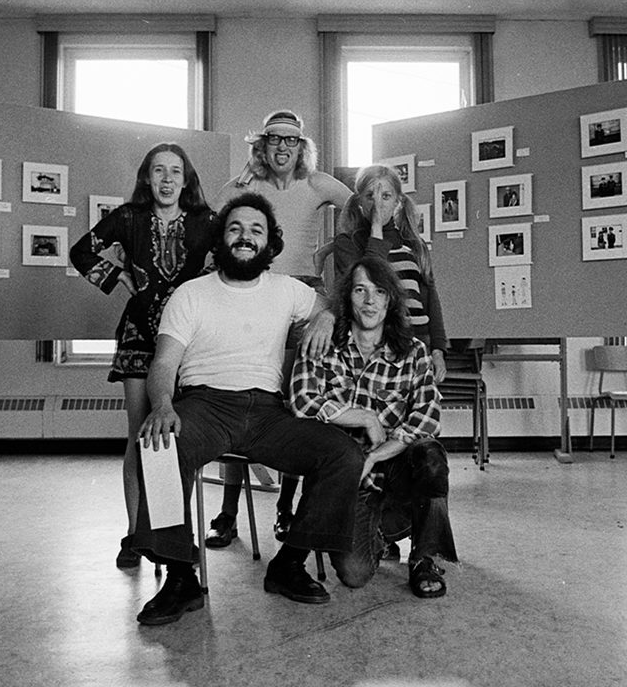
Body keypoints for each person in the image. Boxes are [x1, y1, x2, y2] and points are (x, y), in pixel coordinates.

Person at [131, 193, 363, 625]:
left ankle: (289, 564)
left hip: (268, 411)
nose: (245, 237)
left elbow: (333, 303)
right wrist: (162, 404)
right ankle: (181, 578)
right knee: (159, 445)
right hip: (204, 404)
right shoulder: (191, 294)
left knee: (342, 453)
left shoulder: (286, 290)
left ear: (268, 243)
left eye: (256, 230)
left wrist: (326, 316)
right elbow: (164, 362)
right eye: (235, 228)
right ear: (221, 238)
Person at [205, 109, 352, 548]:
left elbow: (362, 209)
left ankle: (286, 510)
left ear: (301, 146)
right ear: (263, 146)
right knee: (238, 394)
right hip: (255, 290)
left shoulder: (318, 183)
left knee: (294, 404)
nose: (283, 148)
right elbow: (212, 209)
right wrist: (245, 175)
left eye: (291, 141)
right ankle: (228, 514)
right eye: (274, 141)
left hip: (302, 297)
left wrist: (330, 248)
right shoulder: (251, 184)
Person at [69, 142, 219, 569]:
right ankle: (135, 534)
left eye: (175, 171)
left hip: (187, 340)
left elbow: (236, 253)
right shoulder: (128, 218)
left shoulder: (206, 221)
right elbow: (80, 251)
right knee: (140, 436)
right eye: (158, 171)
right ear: (147, 177)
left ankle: (171, 537)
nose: (167, 180)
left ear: (186, 179)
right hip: (139, 336)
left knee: (177, 437)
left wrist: (208, 281)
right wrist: (118, 277)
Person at [289, 255, 457, 598]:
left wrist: (376, 456)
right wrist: (365, 418)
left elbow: (427, 419)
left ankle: (424, 558)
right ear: (346, 298)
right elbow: (302, 402)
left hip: (396, 470)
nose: (369, 301)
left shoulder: (414, 352)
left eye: (379, 291)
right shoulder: (322, 344)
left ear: (390, 299)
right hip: (350, 483)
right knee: (354, 573)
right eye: (360, 290)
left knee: (430, 458)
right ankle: (380, 535)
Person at [335, 163, 449, 383]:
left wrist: (438, 349)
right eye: (370, 196)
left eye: (385, 196)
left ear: (398, 202)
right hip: (374, 343)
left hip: (418, 339)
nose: (378, 203)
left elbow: (431, 299)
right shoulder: (347, 243)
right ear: (359, 203)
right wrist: (376, 229)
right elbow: (369, 277)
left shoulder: (414, 245)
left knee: (416, 409)